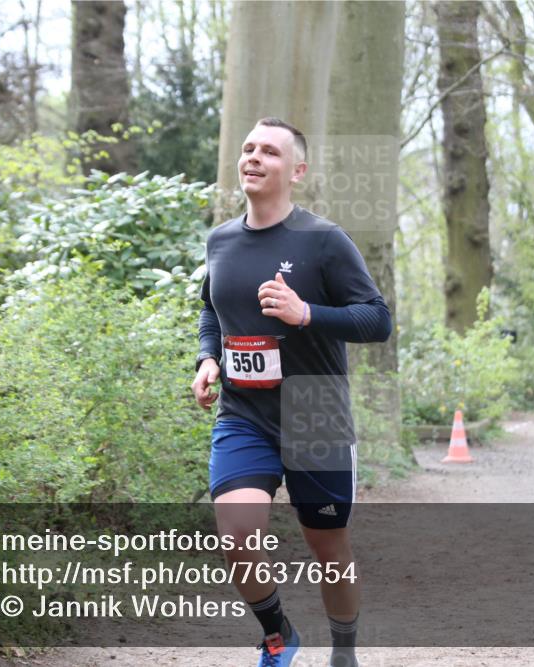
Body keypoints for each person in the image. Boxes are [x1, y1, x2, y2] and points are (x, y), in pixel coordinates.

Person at [191, 117, 391, 667]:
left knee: (329, 549)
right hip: (244, 412)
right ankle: (278, 634)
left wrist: (307, 314)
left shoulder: (323, 241)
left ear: (297, 171)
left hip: (315, 412)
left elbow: (377, 320)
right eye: (248, 148)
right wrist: (208, 358)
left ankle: (344, 650)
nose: (254, 157)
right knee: (237, 538)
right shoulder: (221, 240)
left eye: (270, 152)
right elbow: (212, 309)